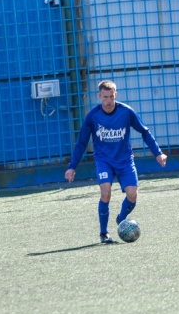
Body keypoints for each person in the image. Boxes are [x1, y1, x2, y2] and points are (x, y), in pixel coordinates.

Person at [65, 80, 167, 244]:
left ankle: (121, 219)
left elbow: (144, 131)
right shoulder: (93, 116)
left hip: (125, 161)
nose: (108, 101)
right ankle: (104, 233)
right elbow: (82, 142)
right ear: (99, 96)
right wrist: (72, 167)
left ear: (115, 95)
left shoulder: (126, 112)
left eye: (111, 97)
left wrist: (158, 153)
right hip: (104, 160)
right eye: (105, 97)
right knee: (105, 192)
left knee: (132, 195)